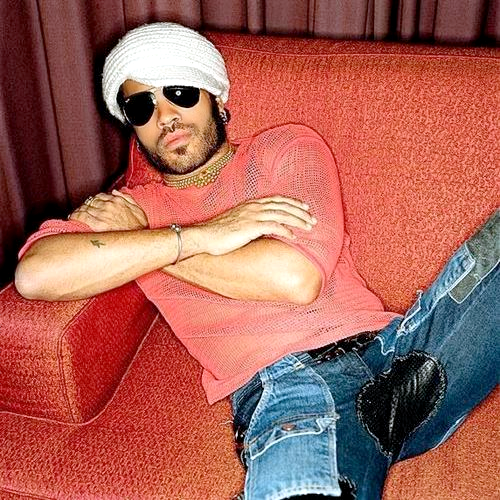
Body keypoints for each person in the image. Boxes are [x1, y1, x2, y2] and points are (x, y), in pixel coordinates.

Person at [15, 22, 498, 500]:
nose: (165, 117)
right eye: (142, 107)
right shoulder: (132, 211)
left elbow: (296, 275)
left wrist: (144, 247)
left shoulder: (284, 149)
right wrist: (199, 236)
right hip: (294, 384)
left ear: (216, 98)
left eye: (180, 93)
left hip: (402, 348)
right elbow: (36, 273)